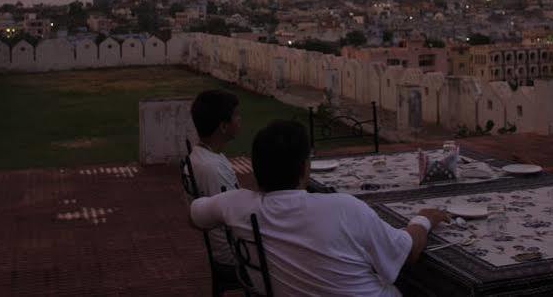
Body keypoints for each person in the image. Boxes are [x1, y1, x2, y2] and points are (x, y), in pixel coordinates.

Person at [190, 120, 450, 297]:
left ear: (255, 168)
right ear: (305, 167)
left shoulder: (237, 204)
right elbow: (407, 253)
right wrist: (423, 219)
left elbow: (195, 215)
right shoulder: (344, 208)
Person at [187, 89, 242, 266]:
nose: (240, 120)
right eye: (236, 116)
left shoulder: (203, 156)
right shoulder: (212, 168)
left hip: (231, 244)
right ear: (223, 126)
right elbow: (233, 219)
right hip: (234, 254)